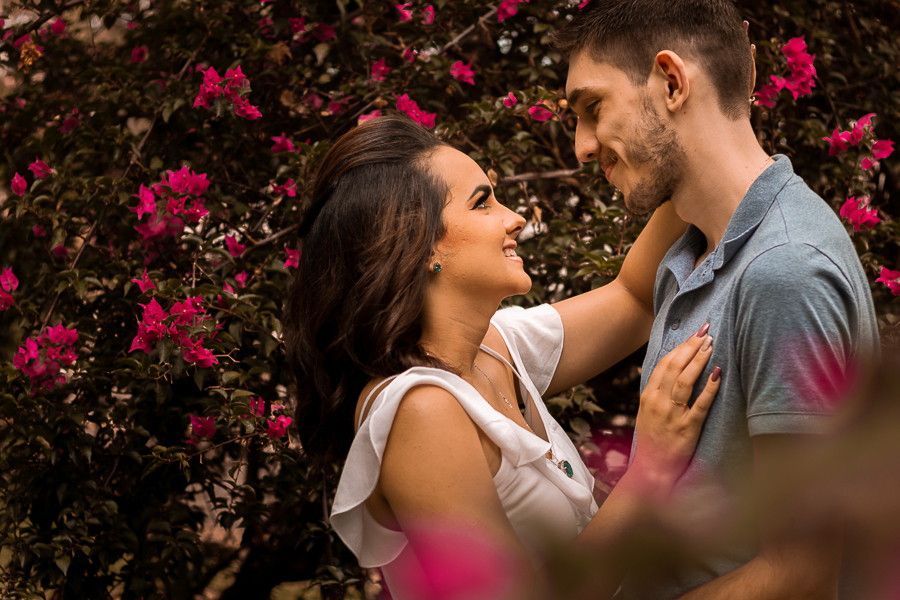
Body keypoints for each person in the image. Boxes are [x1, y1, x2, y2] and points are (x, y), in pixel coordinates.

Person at [283, 114, 721, 599]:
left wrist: (704, 126)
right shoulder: (420, 412)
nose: (514, 217)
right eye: (482, 202)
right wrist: (650, 472)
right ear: (418, 242)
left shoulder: (495, 347)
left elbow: (634, 298)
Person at [553, 1, 880, 598]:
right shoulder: (696, 245)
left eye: (592, 109)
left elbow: (799, 575)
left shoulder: (784, 271)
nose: (582, 146)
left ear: (672, 81)